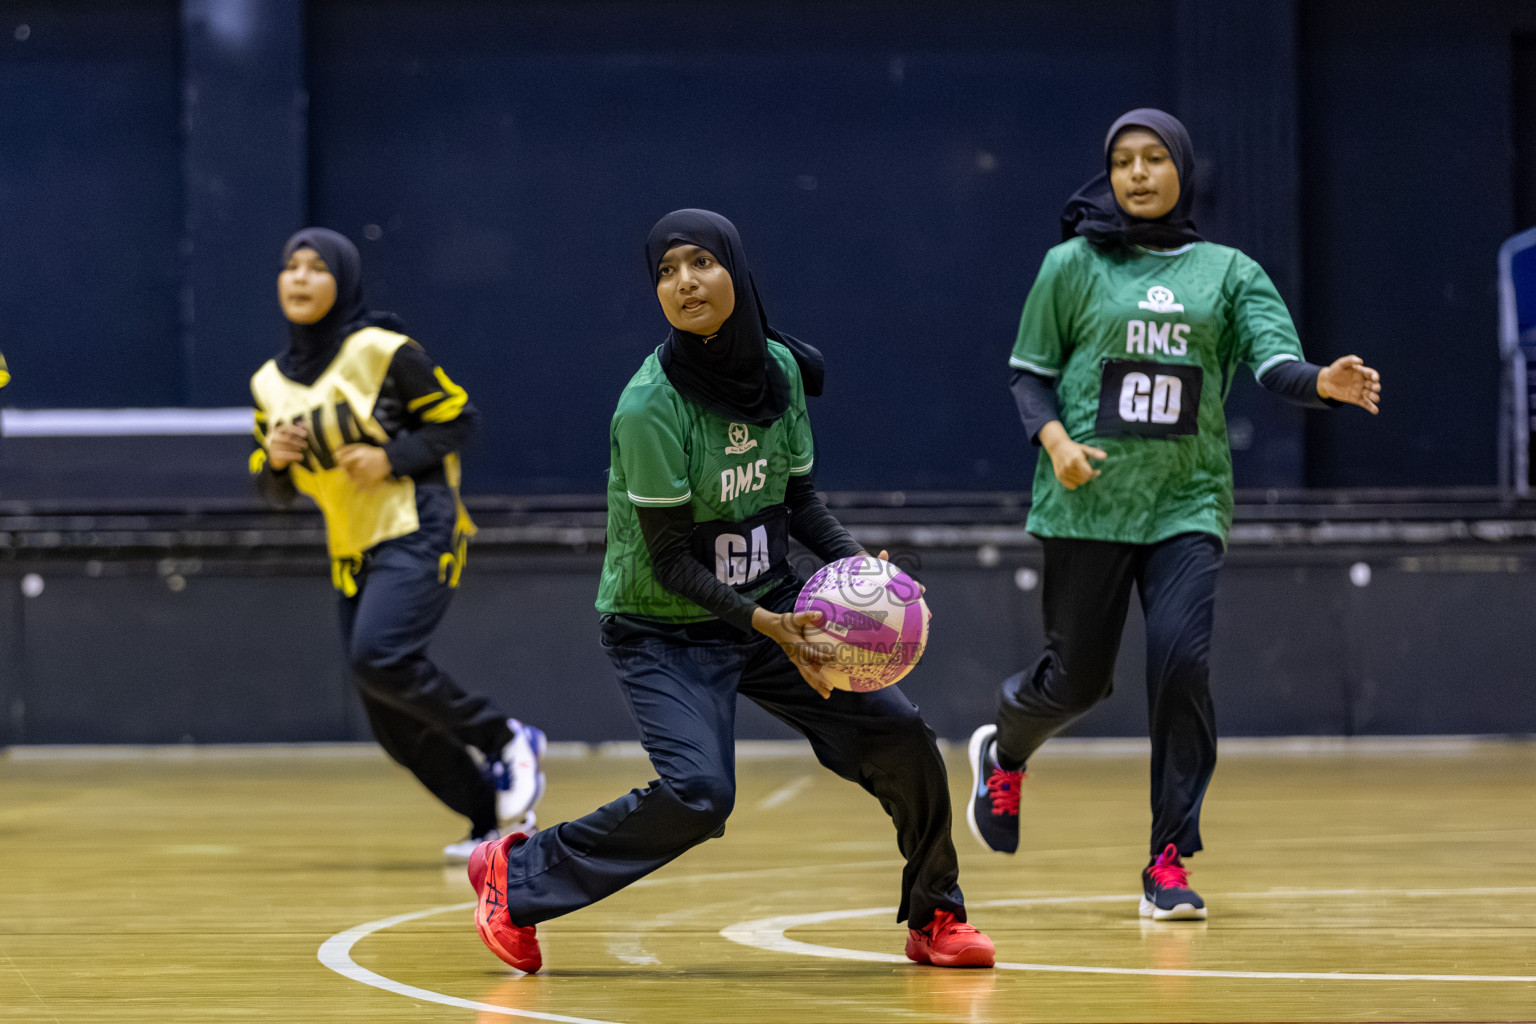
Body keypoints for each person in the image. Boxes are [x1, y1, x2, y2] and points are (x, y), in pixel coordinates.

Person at [467, 209, 994, 973]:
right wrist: (767, 624)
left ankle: (936, 914)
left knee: (902, 736)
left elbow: (800, 503)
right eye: (666, 271)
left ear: (736, 272)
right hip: (661, 626)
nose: (685, 282)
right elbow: (671, 561)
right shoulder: (650, 406)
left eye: (701, 262)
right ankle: (517, 873)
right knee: (700, 794)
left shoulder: (779, 370)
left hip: (771, 602)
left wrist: (873, 581)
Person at [965, 110, 1382, 920]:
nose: (1138, 173)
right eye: (1123, 160)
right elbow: (1028, 375)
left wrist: (1322, 382)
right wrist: (1056, 443)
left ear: (1183, 171)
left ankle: (1167, 857)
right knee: (1078, 682)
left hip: (1188, 502)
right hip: (1086, 500)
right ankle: (1006, 748)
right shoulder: (1071, 265)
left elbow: (1275, 362)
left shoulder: (1229, 272)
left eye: (1155, 158)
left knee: (1182, 666)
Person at [249, 227, 546, 860]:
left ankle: (504, 737)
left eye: (316, 267)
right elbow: (275, 494)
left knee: (379, 655)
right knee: (388, 714)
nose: (299, 278)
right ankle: (489, 823)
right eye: (290, 266)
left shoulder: (382, 351)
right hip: (352, 548)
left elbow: (458, 419)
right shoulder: (268, 384)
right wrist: (274, 462)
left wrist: (391, 458)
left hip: (419, 523)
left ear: (343, 281)